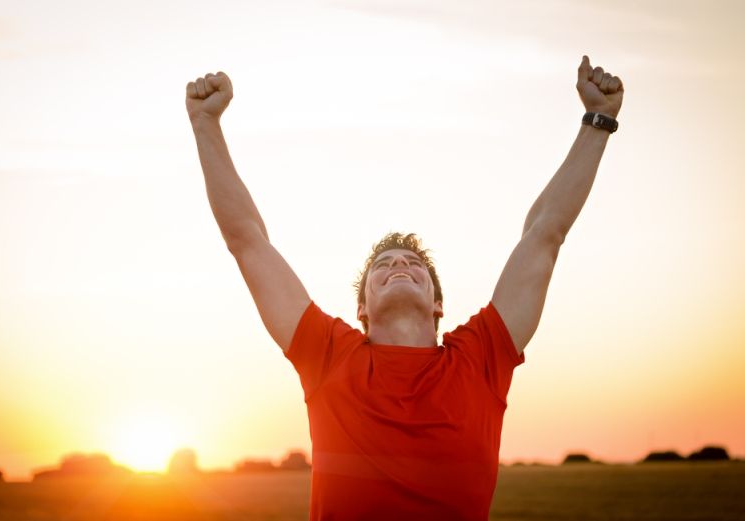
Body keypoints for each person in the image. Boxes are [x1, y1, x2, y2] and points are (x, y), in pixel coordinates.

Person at [185, 55, 623, 521]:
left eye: (414, 264)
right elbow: (248, 241)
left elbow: (544, 235)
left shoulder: (481, 359)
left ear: (438, 304)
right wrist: (205, 122)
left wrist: (598, 121)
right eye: (384, 265)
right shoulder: (329, 355)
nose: (398, 264)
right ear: (362, 309)